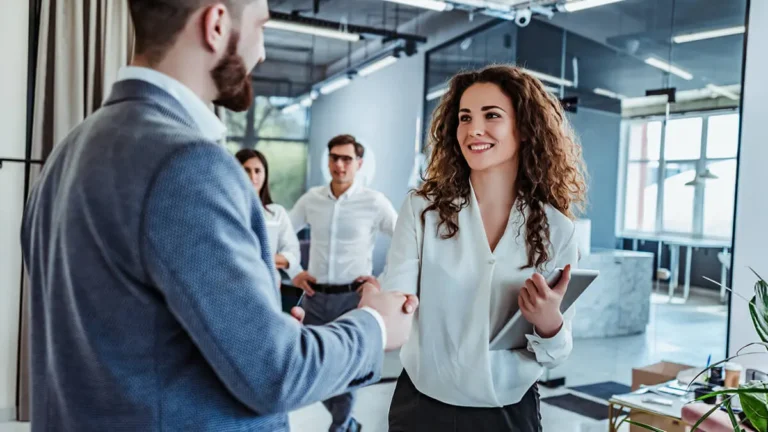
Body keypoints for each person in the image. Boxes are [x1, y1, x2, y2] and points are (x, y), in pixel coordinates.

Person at [19, 1, 418, 431]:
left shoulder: (67, 152)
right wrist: (375, 325)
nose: (261, 52)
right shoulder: (187, 164)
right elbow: (276, 373)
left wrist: (253, 324)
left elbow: (127, 339)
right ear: (216, 24)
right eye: (261, 28)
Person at [383, 65, 588, 431]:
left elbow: (556, 354)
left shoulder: (558, 229)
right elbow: (396, 304)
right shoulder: (422, 209)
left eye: (491, 115)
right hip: (421, 408)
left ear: (524, 128)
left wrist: (549, 323)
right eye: (465, 118)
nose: (474, 129)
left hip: (507, 414)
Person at [289, 134, 398, 432]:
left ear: (359, 163)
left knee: (348, 370)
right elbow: (284, 234)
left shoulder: (373, 202)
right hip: (314, 297)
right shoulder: (311, 199)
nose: (339, 164)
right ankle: (347, 423)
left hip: (351, 300)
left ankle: (339, 427)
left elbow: (405, 240)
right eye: (334, 157)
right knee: (309, 367)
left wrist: (381, 282)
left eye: (347, 159)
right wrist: (295, 271)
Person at [235, 149, 301, 282]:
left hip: (268, 286)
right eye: (246, 170)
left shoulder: (277, 213)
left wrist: (261, 257)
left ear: (265, 175)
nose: (252, 177)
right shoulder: (227, 211)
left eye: (257, 171)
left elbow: (293, 255)